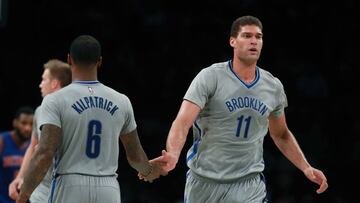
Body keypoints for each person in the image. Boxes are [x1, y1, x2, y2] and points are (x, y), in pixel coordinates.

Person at [147, 15, 328, 202]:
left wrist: (306, 167)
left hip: (248, 185)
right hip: (204, 182)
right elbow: (183, 122)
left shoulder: (273, 86)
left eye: (258, 37)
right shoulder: (210, 77)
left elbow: (281, 134)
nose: (254, 41)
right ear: (232, 41)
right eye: (247, 36)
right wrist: (174, 154)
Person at [16, 35, 164, 203]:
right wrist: (149, 171)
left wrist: (23, 196)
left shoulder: (55, 100)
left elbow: (44, 153)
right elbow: (135, 156)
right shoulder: (122, 100)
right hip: (108, 188)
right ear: (99, 62)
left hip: (70, 184)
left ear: (69, 60)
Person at [8, 59, 72, 202]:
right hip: (41, 192)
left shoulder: (74, 112)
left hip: (66, 190)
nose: (40, 84)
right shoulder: (39, 111)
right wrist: (19, 177)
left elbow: (44, 153)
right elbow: (32, 146)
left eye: (44, 80)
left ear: (54, 83)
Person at [0, 106, 34, 203]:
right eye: (24, 123)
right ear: (15, 123)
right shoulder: (2, 141)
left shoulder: (33, 147)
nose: (28, 128)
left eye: (31, 124)